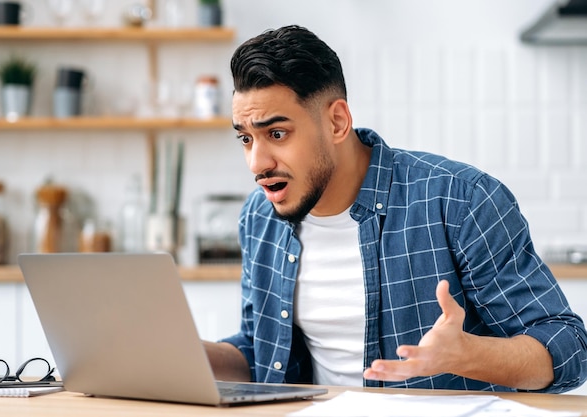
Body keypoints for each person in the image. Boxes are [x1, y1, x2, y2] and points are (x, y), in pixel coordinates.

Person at [203, 25, 587, 393]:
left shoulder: (460, 200)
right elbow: (262, 353)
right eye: (245, 138)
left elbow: (568, 347)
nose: (257, 164)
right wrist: (178, 352)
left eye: (277, 134)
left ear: (337, 122)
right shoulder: (259, 216)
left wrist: (470, 355)